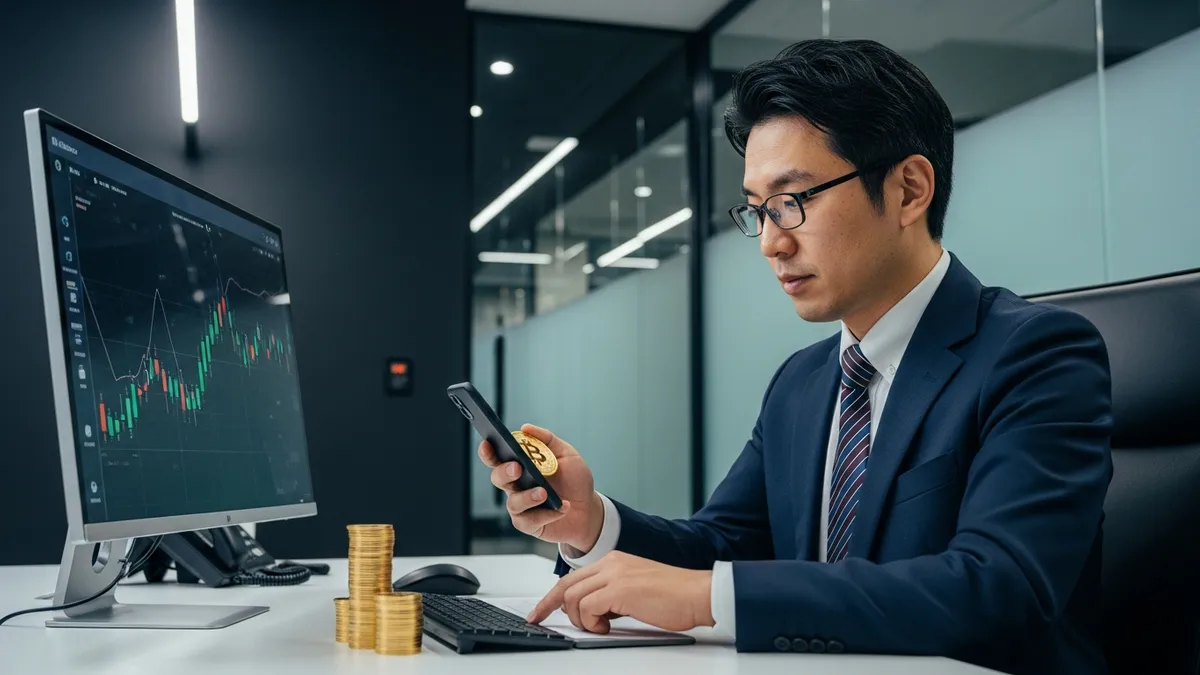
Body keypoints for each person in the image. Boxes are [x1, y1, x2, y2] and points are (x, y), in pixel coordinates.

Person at [478, 39, 1112, 675]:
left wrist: (709, 598)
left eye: (792, 202)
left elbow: (998, 588)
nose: (771, 244)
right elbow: (727, 543)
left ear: (909, 190)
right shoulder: (804, 380)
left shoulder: (1036, 353)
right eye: (758, 212)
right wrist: (594, 525)